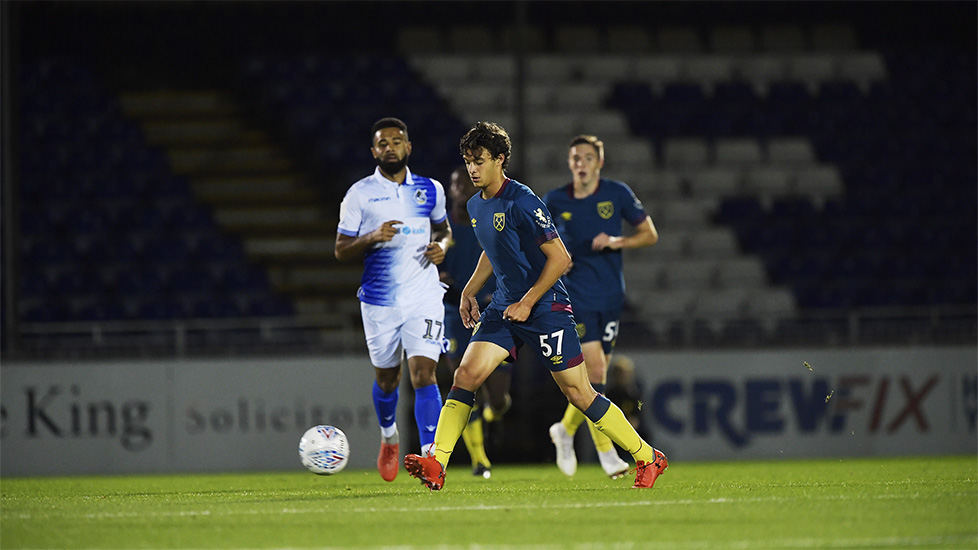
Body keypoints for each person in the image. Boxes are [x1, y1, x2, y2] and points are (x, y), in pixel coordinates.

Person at [404, 121, 667, 490]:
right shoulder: (476, 204)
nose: (472, 169)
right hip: (504, 307)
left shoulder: (523, 200)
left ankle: (647, 456)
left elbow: (559, 258)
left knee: (579, 393)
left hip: (545, 306)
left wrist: (529, 302)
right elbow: (492, 252)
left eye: (479, 161)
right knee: (466, 376)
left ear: (500, 160)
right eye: (467, 162)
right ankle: (437, 463)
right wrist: (468, 291)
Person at [334, 117, 451, 482]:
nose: (390, 147)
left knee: (424, 374)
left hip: (424, 294)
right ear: (374, 151)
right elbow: (340, 249)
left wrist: (442, 247)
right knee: (388, 379)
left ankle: (433, 459)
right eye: (382, 143)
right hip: (380, 300)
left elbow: (444, 229)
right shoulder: (359, 194)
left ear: (408, 147)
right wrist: (371, 236)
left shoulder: (430, 189)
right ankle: (389, 437)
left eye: (396, 141)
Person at [543, 134, 659, 479]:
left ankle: (564, 430)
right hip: (574, 297)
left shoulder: (616, 193)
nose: (581, 163)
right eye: (575, 158)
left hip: (609, 297)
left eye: (588, 158)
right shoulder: (554, 200)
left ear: (599, 163)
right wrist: (554, 258)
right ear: (569, 163)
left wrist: (617, 240)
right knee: (593, 373)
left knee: (597, 376)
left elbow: (649, 234)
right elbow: (536, 242)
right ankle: (607, 452)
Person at [439, 166, 513, 479]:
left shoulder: (488, 218)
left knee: (498, 398)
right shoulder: (439, 226)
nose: (460, 187)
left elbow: (505, 258)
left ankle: (491, 416)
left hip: (491, 311)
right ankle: (479, 460)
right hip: (453, 315)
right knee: (463, 380)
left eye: (464, 182)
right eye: (455, 183)